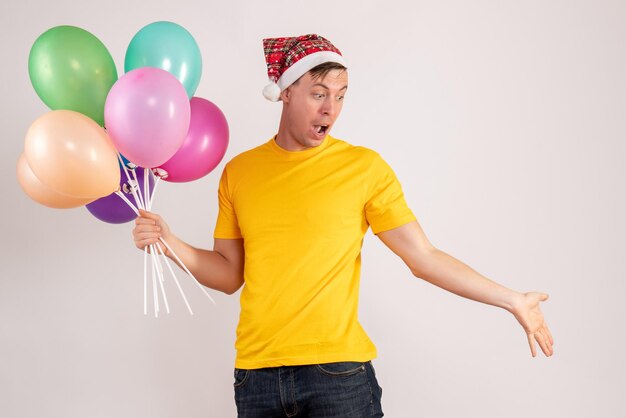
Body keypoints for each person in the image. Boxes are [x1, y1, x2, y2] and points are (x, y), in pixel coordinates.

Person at [132, 34, 554, 417]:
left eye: (340, 95)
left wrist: (511, 299)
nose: (330, 108)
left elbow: (423, 257)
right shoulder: (240, 172)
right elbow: (228, 274)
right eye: (317, 94)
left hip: (337, 377)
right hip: (256, 378)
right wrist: (169, 244)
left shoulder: (364, 168)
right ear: (285, 93)